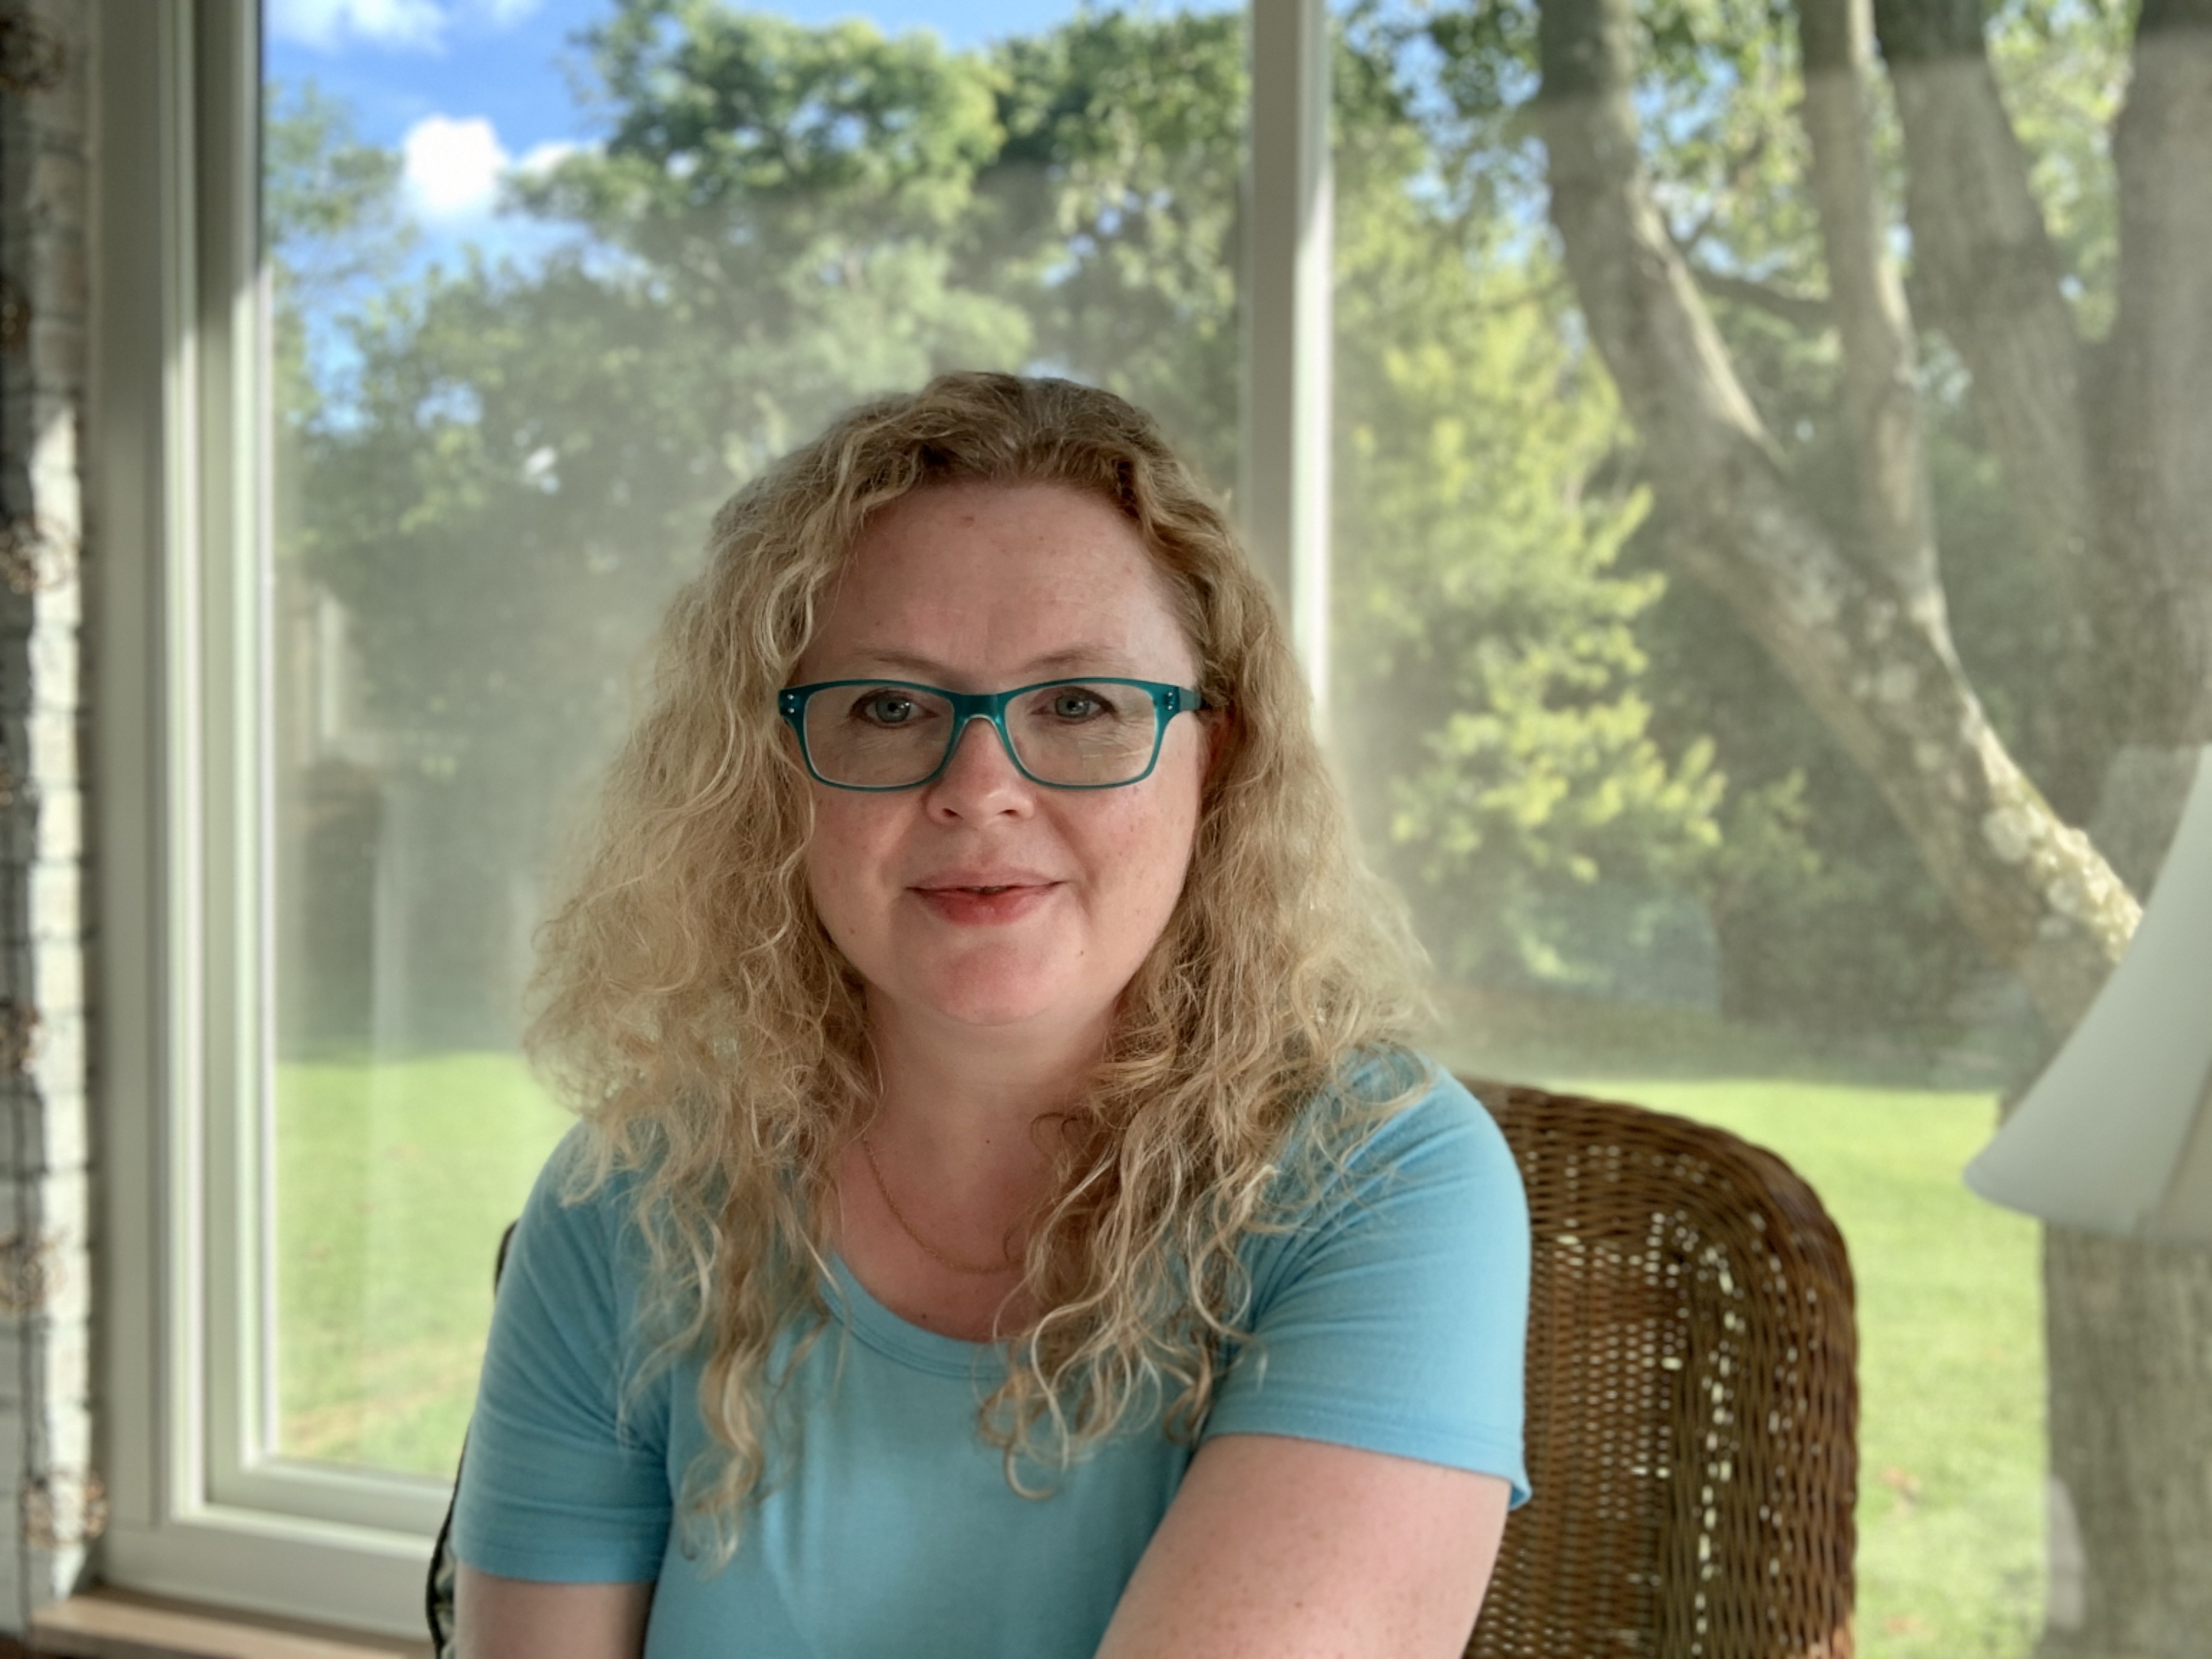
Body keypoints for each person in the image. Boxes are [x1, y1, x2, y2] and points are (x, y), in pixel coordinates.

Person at [451, 372, 1531, 1658]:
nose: (981, 788)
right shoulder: (629, 1199)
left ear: (1214, 757)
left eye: (1078, 705)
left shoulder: (1381, 1182)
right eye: (890, 707)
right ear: (772, 768)